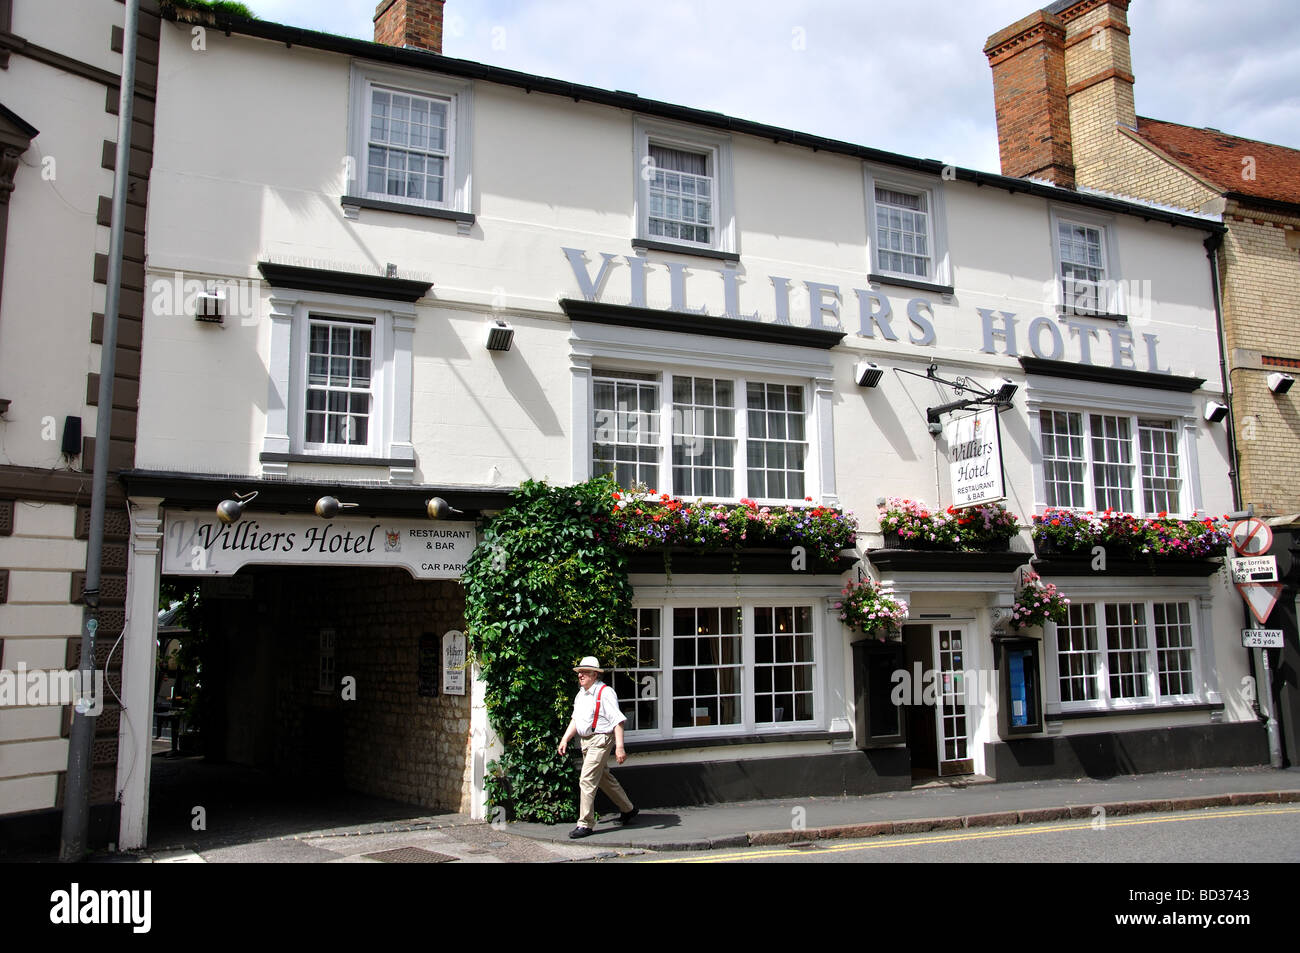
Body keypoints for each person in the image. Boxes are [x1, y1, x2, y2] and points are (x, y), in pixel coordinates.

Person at [557, 656, 638, 838]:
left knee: (586, 779)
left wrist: (620, 747)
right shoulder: (581, 694)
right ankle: (628, 809)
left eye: (584, 672)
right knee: (602, 778)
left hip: (601, 739)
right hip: (586, 741)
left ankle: (585, 824)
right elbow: (576, 720)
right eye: (579, 672)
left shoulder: (605, 692)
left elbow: (617, 720)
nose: (580, 675)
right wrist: (565, 739)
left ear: (594, 674)